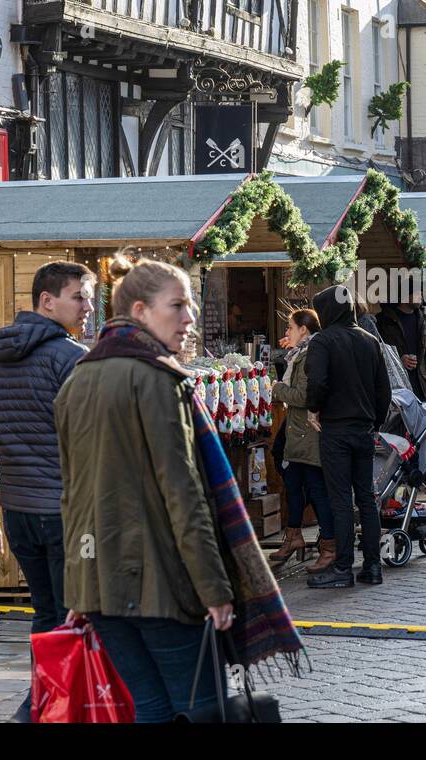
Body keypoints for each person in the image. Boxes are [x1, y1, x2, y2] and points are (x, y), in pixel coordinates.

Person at [56, 254, 302, 722]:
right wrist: (214, 588)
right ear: (140, 313)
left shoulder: (78, 380)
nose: (189, 318)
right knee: (203, 708)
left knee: (150, 709)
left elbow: (72, 496)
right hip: (161, 585)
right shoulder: (158, 380)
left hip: (99, 586)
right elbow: (185, 497)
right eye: (178, 306)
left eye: (189, 306)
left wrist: (77, 588)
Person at [0, 262, 93, 722]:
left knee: (47, 616)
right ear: (47, 301)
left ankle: (44, 702)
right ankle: (48, 707)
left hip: (19, 513)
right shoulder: (72, 359)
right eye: (79, 296)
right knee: (74, 619)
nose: (88, 305)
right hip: (66, 514)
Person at [305, 284, 392, 588]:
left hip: (336, 429)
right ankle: (372, 566)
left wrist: (314, 409)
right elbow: (385, 390)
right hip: (365, 429)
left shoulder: (322, 342)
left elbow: (317, 382)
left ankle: (343, 567)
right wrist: (376, 422)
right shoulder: (370, 341)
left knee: (340, 499)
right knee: (366, 498)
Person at [269, 309, 336, 574]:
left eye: (290, 327)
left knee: (316, 489)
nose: (286, 333)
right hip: (298, 432)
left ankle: (328, 546)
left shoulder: (310, 355)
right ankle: (293, 536)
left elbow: (305, 396)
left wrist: (275, 387)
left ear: (303, 330)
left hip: (308, 433)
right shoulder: (300, 353)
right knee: (293, 484)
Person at [376, 282, 426, 403]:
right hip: (397, 389)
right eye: (416, 292)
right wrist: (399, 359)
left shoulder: (424, 320)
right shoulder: (384, 321)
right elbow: (378, 352)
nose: (421, 295)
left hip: (422, 387)